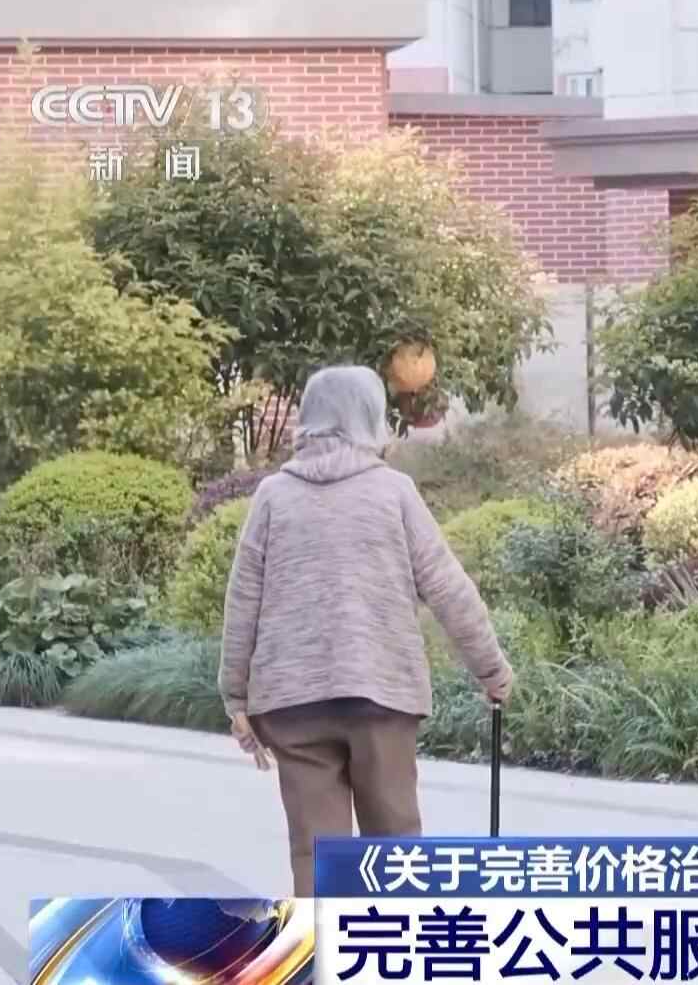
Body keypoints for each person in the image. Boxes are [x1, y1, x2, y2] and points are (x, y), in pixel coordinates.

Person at [219, 365, 513, 896]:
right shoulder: (393, 492)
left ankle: (324, 945)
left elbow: (243, 600)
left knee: (316, 852)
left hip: (292, 703)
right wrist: (490, 669)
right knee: (394, 845)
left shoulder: (273, 497)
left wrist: (235, 696)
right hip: (382, 695)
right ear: (371, 417)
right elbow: (447, 587)